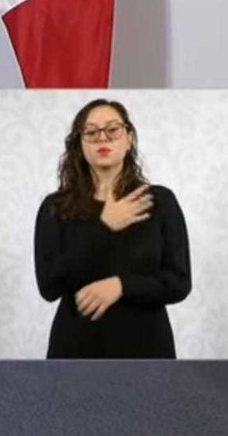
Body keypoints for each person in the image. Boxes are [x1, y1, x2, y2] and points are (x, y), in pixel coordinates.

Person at [33, 98, 192, 358]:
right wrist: (102, 227)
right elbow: (49, 286)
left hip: (146, 344)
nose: (102, 138)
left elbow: (179, 283)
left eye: (113, 129)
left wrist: (121, 286)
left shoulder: (160, 201)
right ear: (79, 144)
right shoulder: (56, 207)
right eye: (91, 132)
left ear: (129, 138)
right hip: (77, 343)